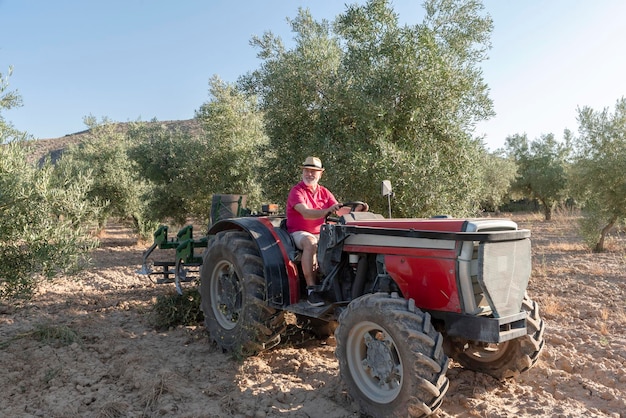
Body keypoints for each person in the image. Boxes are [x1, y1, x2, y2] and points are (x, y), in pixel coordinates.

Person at [286, 156, 352, 306]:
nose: (310, 174)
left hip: (320, 232)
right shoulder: (297, 191)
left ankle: (339, 284)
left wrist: (357, 210)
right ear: (303, 172)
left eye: (314, 171)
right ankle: (311, 290)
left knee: (345, 240)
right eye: (307, 170)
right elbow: (306, 213)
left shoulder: (324, 192)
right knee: (311, 243)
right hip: (299, 232)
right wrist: (326, 211)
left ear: (320, 174)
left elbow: (338, 210)